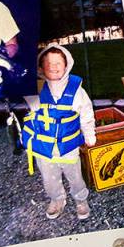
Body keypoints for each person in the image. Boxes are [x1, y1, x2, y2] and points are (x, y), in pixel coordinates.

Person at [21, 45, 96, 221]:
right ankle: (57, 199)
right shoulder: (35, 90)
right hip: (43, 147)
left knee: (75, 176)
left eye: (58, 62)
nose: (53, 66)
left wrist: (89, 134)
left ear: (66, 65)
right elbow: (16, 87)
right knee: (49, 179)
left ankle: (80, 199)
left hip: (68, 147)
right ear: (40, 68)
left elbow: (86, 114)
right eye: (48, 63)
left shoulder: (77, 91)